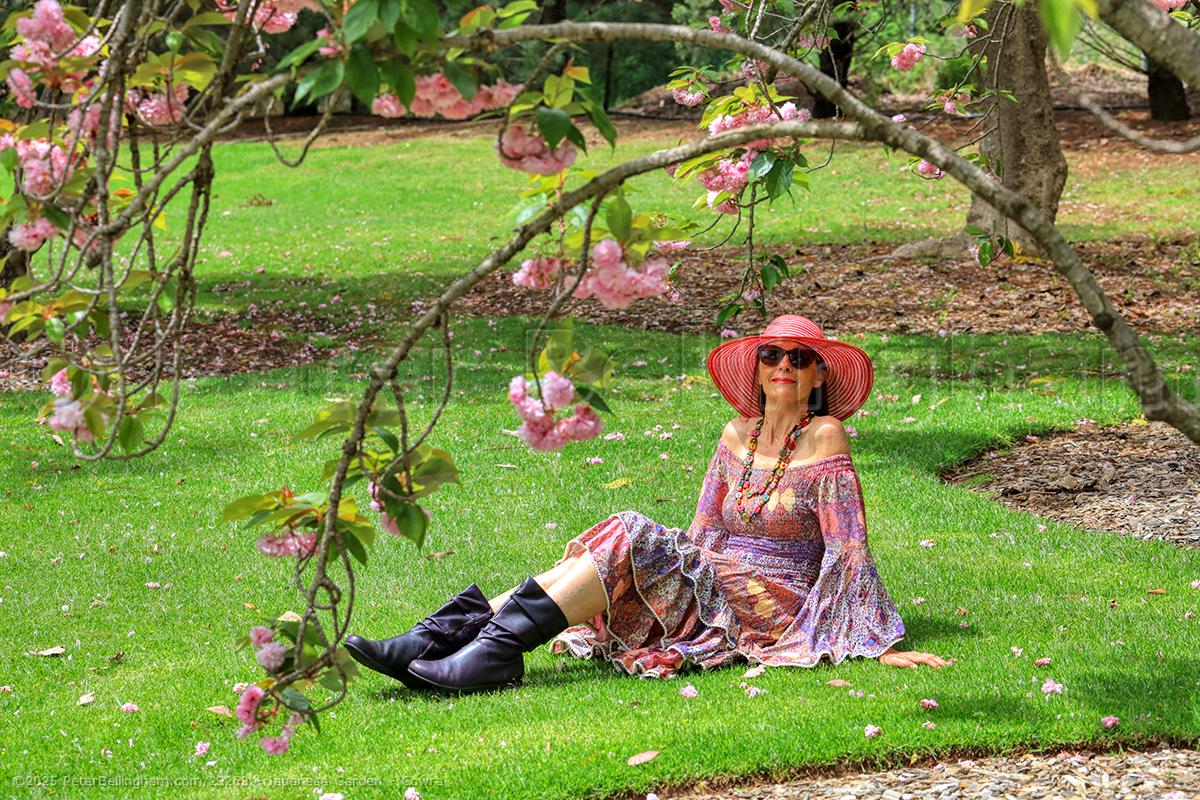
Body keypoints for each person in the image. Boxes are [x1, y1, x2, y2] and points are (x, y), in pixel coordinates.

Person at [345, 314, 950, 694]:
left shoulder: (826, 437)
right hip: (719, 572)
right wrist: (672, 566)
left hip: (773, 596)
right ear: (757, 369)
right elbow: (705, 529)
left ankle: (475, 650)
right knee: (629, 545)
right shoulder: (735, 432)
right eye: (772, 355)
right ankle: (445, 640)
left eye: (800, 358)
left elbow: (848, 547)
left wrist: (877, 642)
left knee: (631, 534)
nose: (784, 365)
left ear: (819, 375)